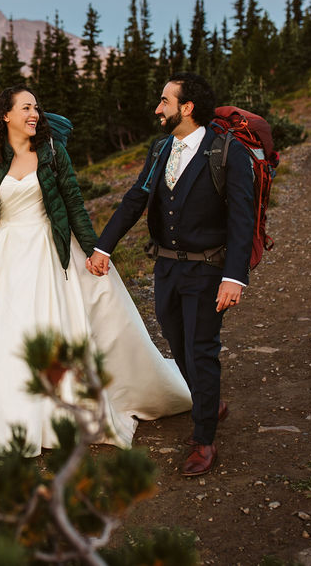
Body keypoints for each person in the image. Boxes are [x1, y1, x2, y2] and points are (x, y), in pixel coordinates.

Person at [0, 85, 191, 456]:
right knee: (3, 334)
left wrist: (98, 250)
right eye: (26, 107)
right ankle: (9, 414)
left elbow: (75, 204)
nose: (34, 113)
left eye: (37, 106)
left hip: (48, 249)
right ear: (6, 115)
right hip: (1, 254)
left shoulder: (51, 152)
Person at [87, 72, 255, 476]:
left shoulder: (226, 152)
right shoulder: (161, 149)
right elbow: (135, 199)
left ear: (187, 107)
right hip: (166, 267)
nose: (157, 108)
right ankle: (207, 399)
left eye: (164, 101)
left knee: (201, 349)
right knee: (176, 342)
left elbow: (242, 218)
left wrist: (235, 277)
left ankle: (204, 438)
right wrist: (102, 245)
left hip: (209, 269)